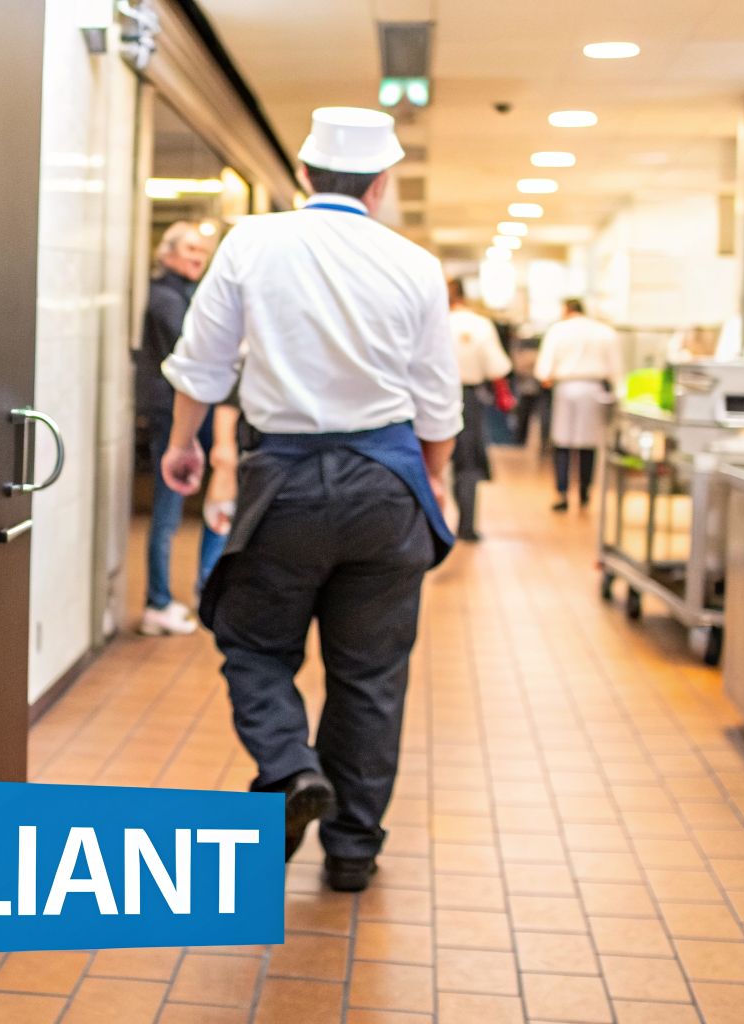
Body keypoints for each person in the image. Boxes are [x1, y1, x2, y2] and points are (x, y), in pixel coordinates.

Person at [158, 107, 460, 893]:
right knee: (370, 676)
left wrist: (185, 444)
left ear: (302, 173)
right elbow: (437, 401)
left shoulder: (251, 242)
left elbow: (202, 365)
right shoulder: (416, 264)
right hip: (386, 486)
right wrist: (436, 482)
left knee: (253, 644)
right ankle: (353, 850)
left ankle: (291, 769)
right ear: (381, 183)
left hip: (283, 483)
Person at [134, 221, 224, 636]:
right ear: (165, 253)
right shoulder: (165, 300)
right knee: (168, 512)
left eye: (202, 250)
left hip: (191, 416)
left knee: (214, 502)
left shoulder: (190, 296)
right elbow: (195, 354)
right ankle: (158, 602)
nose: (197, 256)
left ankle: (206, 588)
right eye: (189, 248)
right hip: (172, 418)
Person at [535, 298, 621, 511]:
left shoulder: (558, 330)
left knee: (562, 440)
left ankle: (562, 492)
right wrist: (618, 391)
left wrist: (545, 377)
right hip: (593, 388)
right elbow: (616, 368)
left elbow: (544, 369)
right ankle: (584, 491)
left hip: (565, 387)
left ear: (567, 310)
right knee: (588, 442)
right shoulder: (603, 331)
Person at [447, 279, 511, 541]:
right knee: (468, 463)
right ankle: (466, 526)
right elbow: (496, 367)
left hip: (431, 395)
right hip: (467, 397)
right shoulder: (479, 325)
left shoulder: (432, 320)